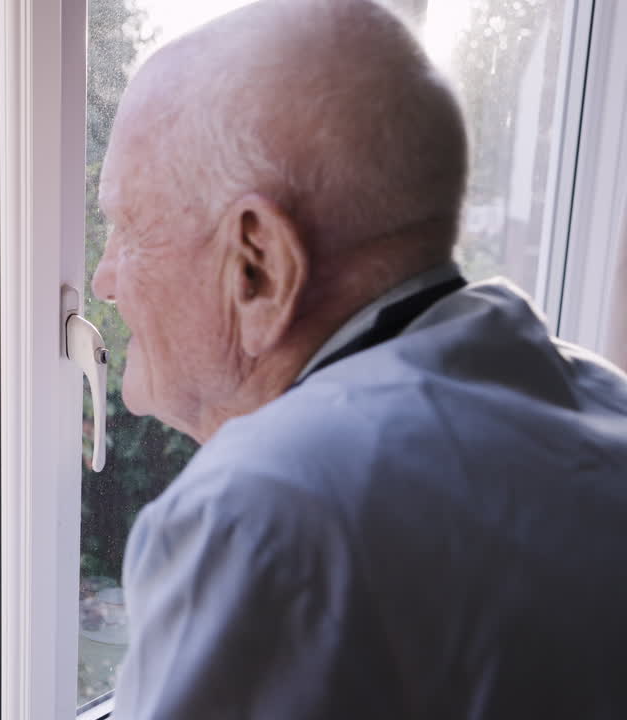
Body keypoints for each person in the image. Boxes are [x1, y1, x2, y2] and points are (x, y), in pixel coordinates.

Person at [91, 0, 627, 717]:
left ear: (259, 265)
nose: (103, 280)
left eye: (126, 228)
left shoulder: (263, 517)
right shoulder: (597, 401)